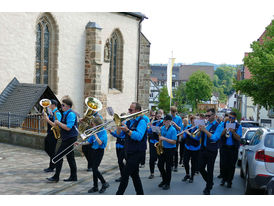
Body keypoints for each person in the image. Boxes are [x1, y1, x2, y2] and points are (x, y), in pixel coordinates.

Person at [116, 102, 147, 195]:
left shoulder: (142, 121)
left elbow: (138, 136)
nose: (129, 111)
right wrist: (118, 125)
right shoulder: (129, 121)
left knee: (125, 175)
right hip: (129, 152)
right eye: (129, 109)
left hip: (138, 152)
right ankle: (140, 194)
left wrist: (128, 130)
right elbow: (119, 134)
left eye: (131, 110)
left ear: (137, 111)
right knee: (135, 175)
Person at [46, 98, 78, 183]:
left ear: (68, 106)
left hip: (70, 138)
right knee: (70, 158)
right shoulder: (65, 113)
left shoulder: (71, 114)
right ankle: (74, 176)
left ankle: (56, 177)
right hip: (67, 138)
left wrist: (58, 123)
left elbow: (68, 127)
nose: (61, 106)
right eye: (62, 105)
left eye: (63, 105)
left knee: (58, 156)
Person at [198, 108, 224, 195]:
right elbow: (200, 136)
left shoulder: (219, 126)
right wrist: (199, 130)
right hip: (204, 149)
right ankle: (210, 182)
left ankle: (208, 187)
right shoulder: (207, 124)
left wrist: (204, 130)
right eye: (206, 115)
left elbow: (215, 138)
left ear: (214, 116)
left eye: (209, 115)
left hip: (212, 150)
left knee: (210, 169)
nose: (207, 117)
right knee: (200, 168)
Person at [86, 116, 109, 193]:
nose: (92, 126)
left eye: (93, 124)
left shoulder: (103, 132)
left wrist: (95, 135)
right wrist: (80, 143)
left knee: (95, 169)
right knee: (94, 169)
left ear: (97, 124)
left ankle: (104, 183)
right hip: (94, 150)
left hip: (99, 151)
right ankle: (95, 186)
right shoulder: (95, 131)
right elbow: (89, 142)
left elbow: (100, 143)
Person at [220, 111, 242, 188]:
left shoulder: (238, 126)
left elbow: (239, 138)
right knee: (223, 164)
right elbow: (220, 135)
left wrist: (233, 132)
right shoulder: (224, 124)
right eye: (229, 117)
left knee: (231, 165)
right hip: (224, 147)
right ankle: (224, 179)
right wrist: (225, 129)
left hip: (233, 148)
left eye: (232, 118)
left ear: (235, 118)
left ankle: (229, 181)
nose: (230, 119)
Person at [157, 114, 177, 190]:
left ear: (169, 121)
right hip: (163, 148)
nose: (164, 122)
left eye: (165, 121)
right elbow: (160, 137)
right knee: (160, 165)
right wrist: (159, 142)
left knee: (168, 167)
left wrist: (164, 139)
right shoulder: (162, 128)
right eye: (164, 121)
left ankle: (167, 183)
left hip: (170, 150)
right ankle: (164, 180)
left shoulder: (173, 130)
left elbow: (174, 142)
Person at [43, 99, 62, 173]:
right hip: (50, 132)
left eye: (50, 104)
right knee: (47, 148)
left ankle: (52, 166)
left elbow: (56, 125)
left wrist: (47, 120)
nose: (49, 106)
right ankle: (53, 163)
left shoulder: (57, 113)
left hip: (54, 134)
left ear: (53, 105)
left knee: (51, 150)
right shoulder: (52, 112)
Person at [182, 117, 201, 183]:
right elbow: (184, 137)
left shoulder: (199, 128)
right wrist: (182, 134)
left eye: (195, 122)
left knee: (193, 163)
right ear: (191, 121)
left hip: (195, 148)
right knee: (185, 161)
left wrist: (189, 133)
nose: (194, 123)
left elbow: (197, 138)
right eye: (193, 122)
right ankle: (187, 174)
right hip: (187, 147)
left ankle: (192, 176)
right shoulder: (188, 127)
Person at [108, 113, 126, 182]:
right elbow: (116, 135)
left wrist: (119, 126)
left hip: (123, 145)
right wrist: (111, 132)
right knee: (120, 162)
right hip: (118, 145)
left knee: (120, 161)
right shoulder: (119, 125)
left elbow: (120, 134)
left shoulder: (125, 126)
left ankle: (124, 176)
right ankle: (123, 175)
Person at [147, 110, 163, 179]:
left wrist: (160, 130)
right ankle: (152, 173)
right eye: (157, 116)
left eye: (160, 116)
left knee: (161, 158)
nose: (159, 117)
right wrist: (150, 127)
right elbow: (148, 131)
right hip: (152, 141)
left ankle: (161, 172)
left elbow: (164, 131)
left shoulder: (163, 122)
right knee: (152, 158)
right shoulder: (153, 122)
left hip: (159, 142)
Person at [170, 106, 182, 172]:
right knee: (170, 151)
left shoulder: (179, 118)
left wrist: (174, 124)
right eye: (172, 112)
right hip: (169, 135)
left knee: (175, 151)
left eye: (173, 112)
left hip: (176, 135)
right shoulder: (169, 117)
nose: (172, 114)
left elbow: (180, 128)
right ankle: (171, 164)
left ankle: (176, 166)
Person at [218, 113, 229, 179]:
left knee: (227, 161)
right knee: (222, 161)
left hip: (230, 146)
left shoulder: (233, 125)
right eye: (227, 121)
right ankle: (222, 173)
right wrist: (225, 129)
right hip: (223, 145)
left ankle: (226, 174)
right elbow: (220, 134)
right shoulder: (222, 125)